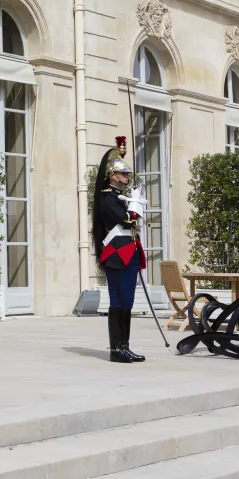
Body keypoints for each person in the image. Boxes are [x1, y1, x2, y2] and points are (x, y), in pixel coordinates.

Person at [92, 136, 147, 364]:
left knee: (128, 303)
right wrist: (135, 203)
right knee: (118, 302)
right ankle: (116, 349)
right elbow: (128, 220)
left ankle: (125, 346)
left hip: (129, 251)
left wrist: (132, 200)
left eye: (126, 174)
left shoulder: (120, 198)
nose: (126, 178)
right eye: (123, 174)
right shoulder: (107, 199)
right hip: (116, 254)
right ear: (112, 176)